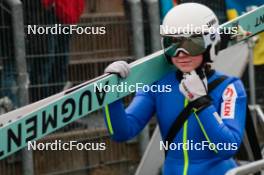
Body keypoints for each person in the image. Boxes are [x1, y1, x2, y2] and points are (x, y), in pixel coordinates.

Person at [103, 3, 247, 175]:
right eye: (173, 43)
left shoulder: (229, 87)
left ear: (210, 45)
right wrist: (112, 94)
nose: (181, 54)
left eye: (192, 44)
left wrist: (201, 102)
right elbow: (122, 132)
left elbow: (227, 148)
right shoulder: (158, 85)